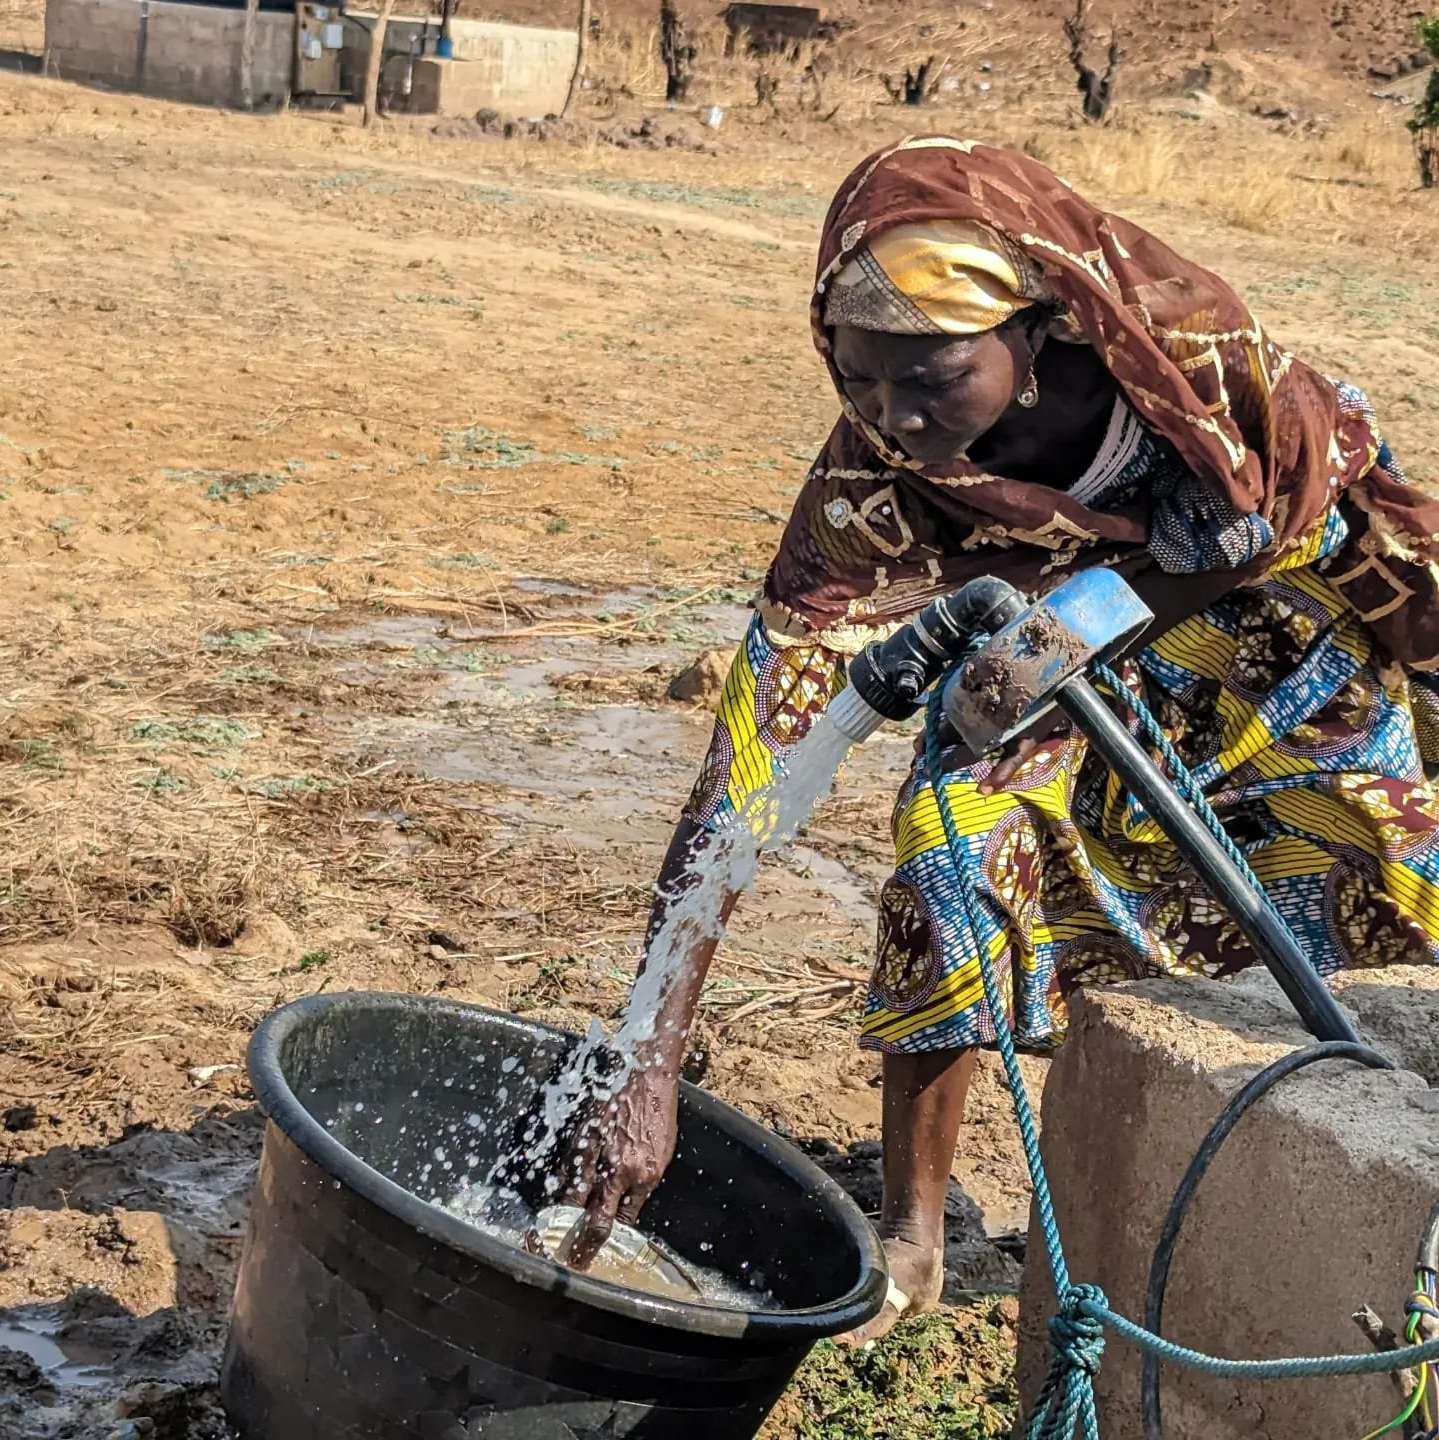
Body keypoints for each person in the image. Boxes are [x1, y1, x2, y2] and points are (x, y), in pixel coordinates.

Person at [554, 137, 1439, 1346]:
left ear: (1035, 329)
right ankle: (915, 1237)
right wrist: (647, 1055)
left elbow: (1299, 502)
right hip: (1039, 662)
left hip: (1273, 649)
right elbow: (748, 764)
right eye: (859, 381)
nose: (895, 417)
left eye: (932, 378)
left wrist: (1100, 609)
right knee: (950, 842)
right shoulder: (869, 485)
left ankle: (1356, 1196)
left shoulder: (1189, 356)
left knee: (1374, 877)